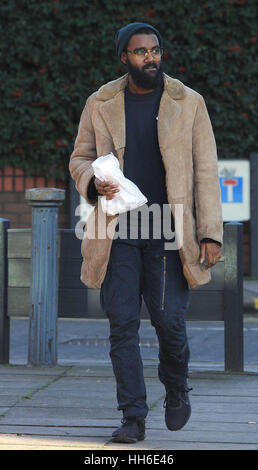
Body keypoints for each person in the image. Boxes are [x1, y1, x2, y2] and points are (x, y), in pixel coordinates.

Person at [69, 22, 223, 444]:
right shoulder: (100, 102)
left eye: (155, 50)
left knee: (169, 321)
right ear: (125, 58)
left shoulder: (188, 102)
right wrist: (91, 182)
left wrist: (210, 232)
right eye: (140, 52)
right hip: (116, 231)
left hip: (169, 232)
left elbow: (206, 171)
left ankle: (176, 385)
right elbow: (79, 157)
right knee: (122, 324)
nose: (150, 58)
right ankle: (133, 417)